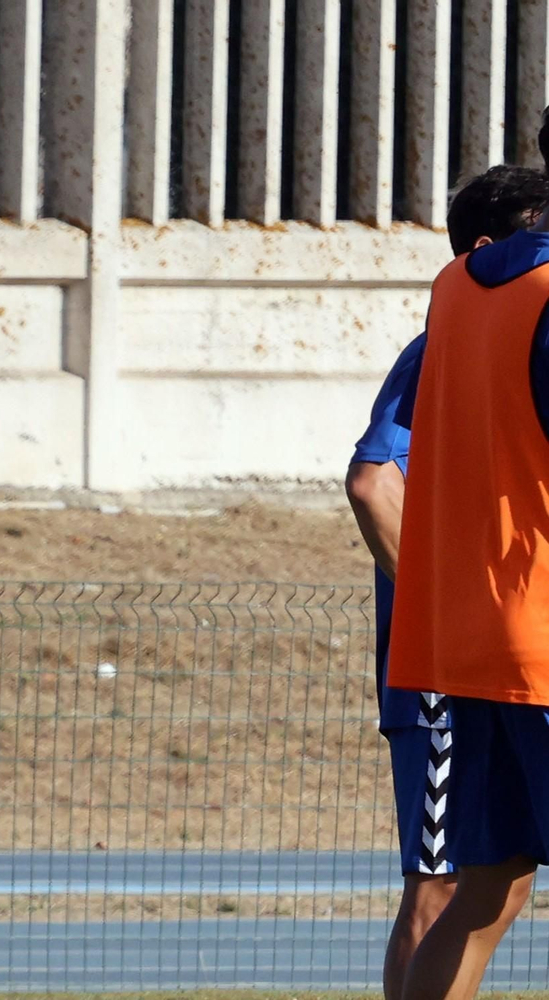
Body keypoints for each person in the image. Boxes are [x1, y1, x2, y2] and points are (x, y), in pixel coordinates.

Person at [347, 163, 549, 1000]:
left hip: (468, 649)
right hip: (538, 633)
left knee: (480, 893)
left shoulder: (454, 295)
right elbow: (371, 479)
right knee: (450, 894)